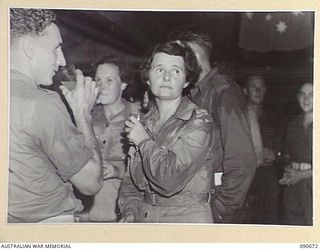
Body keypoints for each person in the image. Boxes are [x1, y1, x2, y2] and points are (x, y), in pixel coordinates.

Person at [9, 8, 103, 223]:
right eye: (56, 48)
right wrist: (82, 112)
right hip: (47, 227)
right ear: (29, 48)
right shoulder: (41, 102)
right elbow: (91, 182)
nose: (61, 60)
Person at [118, 41, 215, 223]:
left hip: (185, 221)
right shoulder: (143, 123)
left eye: (176, 71)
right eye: (160, 70)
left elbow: (169, 180)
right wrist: (130, 212)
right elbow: (131, 183)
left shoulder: (199, 121)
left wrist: (143, 141)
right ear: (148, 78)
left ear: (186, 80)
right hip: (146, 219)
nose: (167, 77)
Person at [168, 30, 256, 222]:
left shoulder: (223, 92)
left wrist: (220, 210)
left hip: (216, 205)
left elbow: (243, 161)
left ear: (195, 56)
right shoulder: (194, 94)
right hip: (197, 201)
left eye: (180, 56)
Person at [85, 55, 140, 222]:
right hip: (88, 213)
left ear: (123, 84)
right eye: (98, 80)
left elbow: (150, 170)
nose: (101, 87)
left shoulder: (138, 117)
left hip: (123, 213)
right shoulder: (86, 117)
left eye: (109, 80)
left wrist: (118, 171)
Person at [242, 74, 282, 224]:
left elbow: (283, 146)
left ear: (266, 90)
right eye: (254, 87)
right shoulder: (238, 117)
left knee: (271, 220)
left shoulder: (275, 117)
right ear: (245, 90)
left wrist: (276, 154)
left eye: (261, 87)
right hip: (247, 179)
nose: (258, 91)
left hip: (268, 179)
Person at [279, 82, 313, 225]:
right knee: (293, 226)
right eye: (302, 95)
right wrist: (288, 169)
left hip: (312, 184)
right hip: (293, 185)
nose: (306, 99)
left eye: (312, 95)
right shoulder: (293, 125)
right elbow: (286, 154)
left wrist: (302, 174)